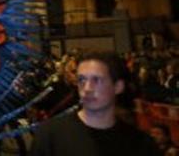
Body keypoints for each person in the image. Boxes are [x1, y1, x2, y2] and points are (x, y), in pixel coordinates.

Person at [31, 51, 159, 156]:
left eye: (96, 80)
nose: (87, 88)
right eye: (81, 80)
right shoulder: (50, 135)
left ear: (118, 86)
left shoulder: (141, 144)